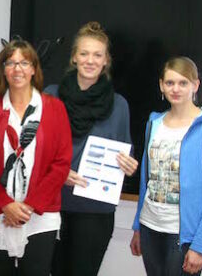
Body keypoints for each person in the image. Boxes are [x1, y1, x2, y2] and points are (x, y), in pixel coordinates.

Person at [45, 21, 138, 276]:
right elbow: (34, 151)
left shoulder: (119, 105)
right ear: (74, 57)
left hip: (96, 211)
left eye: (97, 55)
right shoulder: (50, 97)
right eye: (84, 53)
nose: (90, 60)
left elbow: (124, 150)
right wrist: (59, 173)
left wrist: (129, 164)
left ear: (106, 60)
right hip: (53, 206)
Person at [0, 39, 72, 276]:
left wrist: (29, 206)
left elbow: (61, 162)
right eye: (11, 63)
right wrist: (5, 203)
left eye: (24, 62)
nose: (18, 69)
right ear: (3, 70)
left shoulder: (55, 108)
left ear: (34, 69)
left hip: (40, 215)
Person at [130, 56, 202, 276]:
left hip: (183, 236)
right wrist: (137, 227)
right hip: (150, 227)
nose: (176, 89)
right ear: (161, 86)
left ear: (195, 85)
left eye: (183, 83)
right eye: (170, 83)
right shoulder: (154, 123)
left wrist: (201, 245)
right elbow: (147, 181)